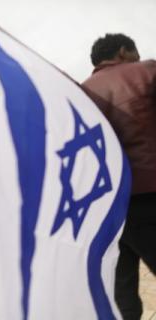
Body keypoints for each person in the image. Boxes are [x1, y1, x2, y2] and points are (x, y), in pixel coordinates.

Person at [82, 33, 156, 320]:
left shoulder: (80, 94)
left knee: (123, 289)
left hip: (107, 209)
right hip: (149, 194)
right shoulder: (146, 72)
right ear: (123, 51)